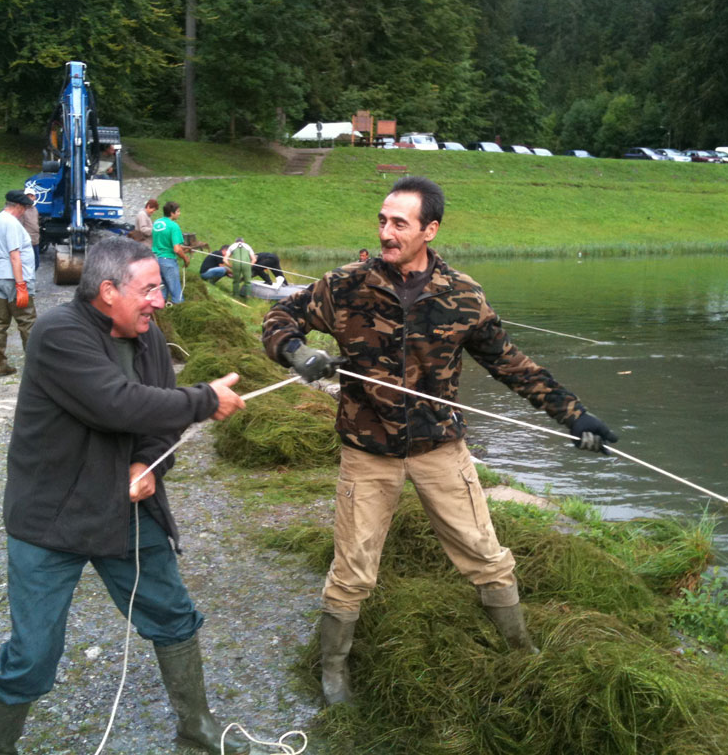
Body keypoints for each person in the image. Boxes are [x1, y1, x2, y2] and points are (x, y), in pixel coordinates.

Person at [261, 176, 617, 706]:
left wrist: (575, 416)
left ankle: (521, 651)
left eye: (399, 223)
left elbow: (511, 365)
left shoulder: (462, 296)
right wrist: (295, 351)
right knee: (353, 567)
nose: (386, 231)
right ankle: (333, 670)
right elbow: (280, 315)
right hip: (368, 450)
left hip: (440, 449)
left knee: (485, 554)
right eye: (382, 220)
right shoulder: (345, 285)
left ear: (430, 229)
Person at [0, 237, 254, 755]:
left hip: (127, 511)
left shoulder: (147, 335)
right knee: (33, 654)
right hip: (50, 520)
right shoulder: (58, 333)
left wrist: (147, 461)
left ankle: (197, 731)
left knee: (173, 616)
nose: (160, 299)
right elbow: (117, 403)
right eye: (149, 288)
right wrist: (203, 400)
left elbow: (159, 421)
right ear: (107, 291)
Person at [0, 190, 38, 376]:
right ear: (17, 206)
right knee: (27, 321)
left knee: (0, 322)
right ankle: (34, 369)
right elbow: (15, 256)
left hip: (0, 276)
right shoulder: (11, 224)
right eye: (24, 208)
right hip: (15, 277)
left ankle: (0, 363)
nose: (24, 211)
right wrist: (21, 285)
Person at [152, 201, 190, 304]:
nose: (179, 213)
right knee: (176, 291)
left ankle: (161, 310)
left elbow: (164, 241)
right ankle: (179, 310)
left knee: (162, 289)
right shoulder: (174, 226)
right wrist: (185, 258)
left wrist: (182, 248)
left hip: (155, 259)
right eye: (178, 211)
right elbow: (177, 249)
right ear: (172, 213)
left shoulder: (156, 223)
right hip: (168, 260)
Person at [20, 189, 40, 271]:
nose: (30, 198)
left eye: (31, 196)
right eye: (28, 196)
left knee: (36, 264)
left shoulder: (35, 209)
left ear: (35, 197)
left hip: (35, 241)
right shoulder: (22, 210)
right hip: (27, 242)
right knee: (27, 265)